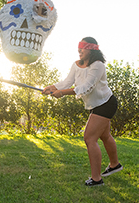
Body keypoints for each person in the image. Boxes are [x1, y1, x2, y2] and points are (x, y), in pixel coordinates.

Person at [42, 37, 122, 186]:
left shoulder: (98, 66)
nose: (79, 50)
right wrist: (52, 87)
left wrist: (63, 93)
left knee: (89, 138)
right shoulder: (76, 65)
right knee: (105, 135)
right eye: (78, 48)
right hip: (96, 105)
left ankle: (96, 179)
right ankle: (114, 165)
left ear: (91, 49)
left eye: (82, 48)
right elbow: (67, 82)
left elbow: (86, 87)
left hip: (106, 103)